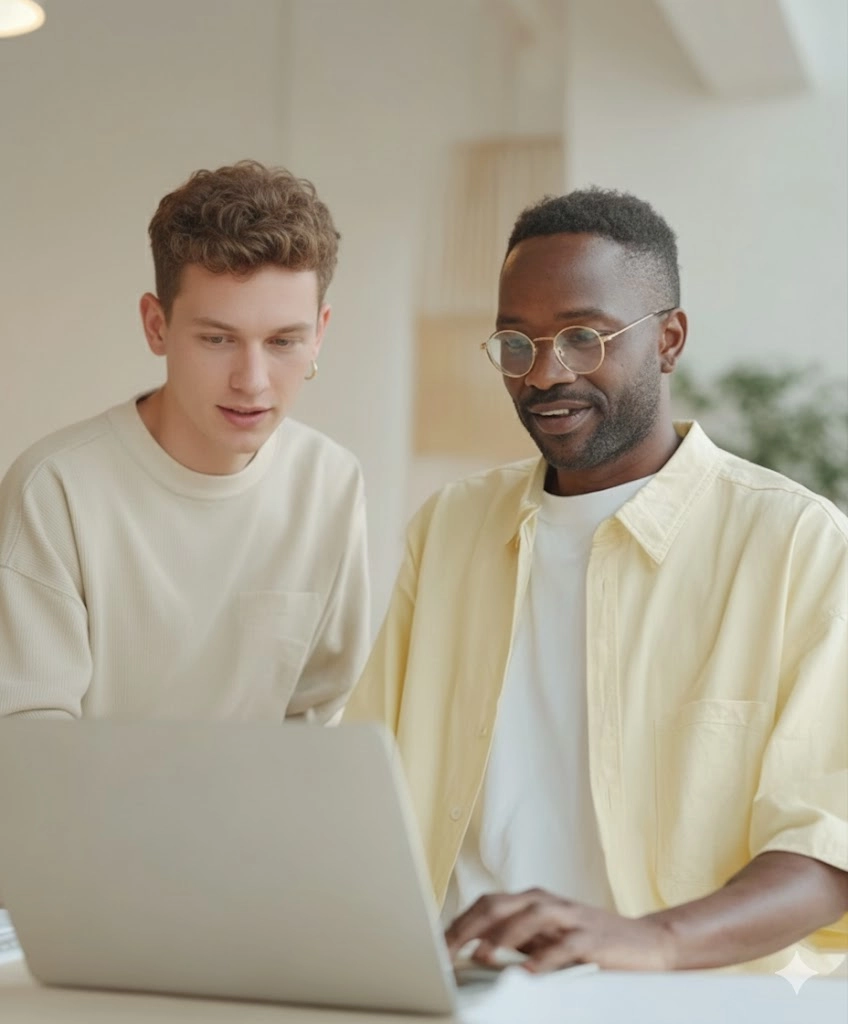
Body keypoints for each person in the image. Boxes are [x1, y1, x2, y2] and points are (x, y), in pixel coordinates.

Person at [346, 188, 848, 974]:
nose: (545, 374)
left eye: (583, 337)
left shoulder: (795, 543)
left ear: (670, 339)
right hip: (463, 992)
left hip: (681, 1005)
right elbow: (361, 788)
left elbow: (827, 845)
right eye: (517, 342)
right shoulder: (451, 528)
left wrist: (652, 939)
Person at [0, 160, 369, 722]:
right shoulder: (55, 489)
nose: (252, 381)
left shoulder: (331, 484)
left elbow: (318, 720)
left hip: (258, 812)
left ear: (320, 333)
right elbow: (31, 743)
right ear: (156, 325)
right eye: (218, 338)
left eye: (283, 341)